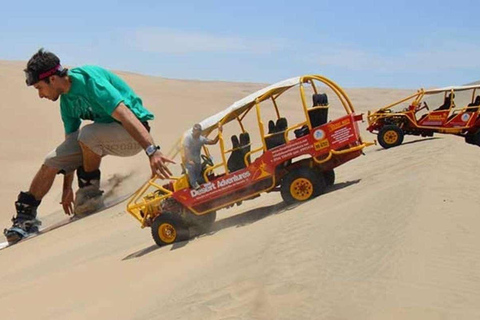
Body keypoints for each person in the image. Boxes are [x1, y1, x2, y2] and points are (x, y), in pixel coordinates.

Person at [4, 48, 174, 244]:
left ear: (52, 79)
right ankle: (25, 218)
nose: (40, 95)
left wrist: (152, 151)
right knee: (52, 159)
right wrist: (67, 187)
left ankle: (89, 193)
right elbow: (70, 149)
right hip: (102, 135)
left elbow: (126, 115)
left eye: (39, 88)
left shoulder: (90, 81)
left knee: (88, 134)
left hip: (133, 133)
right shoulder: (66, 102)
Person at [183, 123, 222, 189]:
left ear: (200, 131)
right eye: (195, 130)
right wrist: (189, 160)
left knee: (204, 169)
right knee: (191, 167)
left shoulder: (201, 139)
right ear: (193, 131)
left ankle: (205, 184)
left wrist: (220, 132)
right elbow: (186, 149)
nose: (196, 132)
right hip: (189, 161)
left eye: (198, 131)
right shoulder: (188, 138)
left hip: (197, 162)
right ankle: (194, 184)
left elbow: (213, 142)